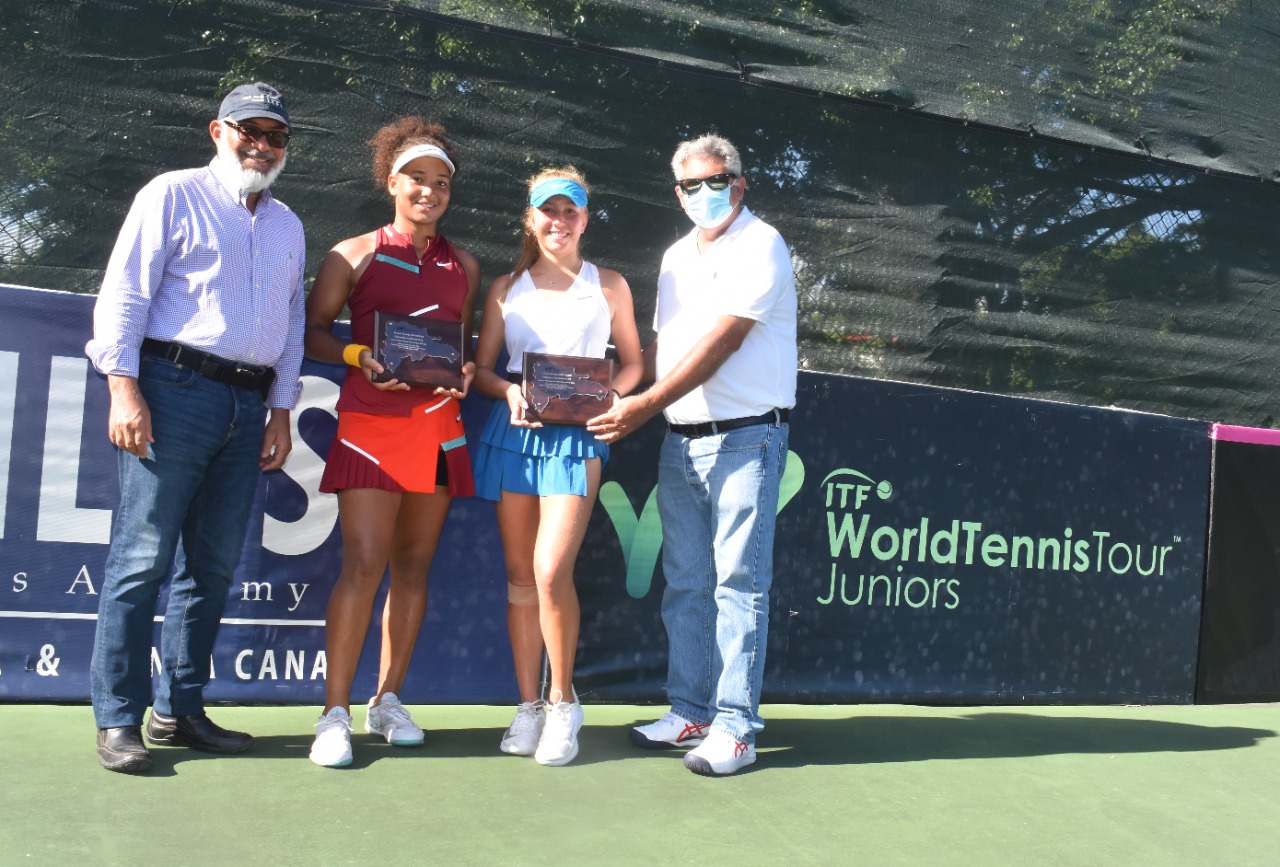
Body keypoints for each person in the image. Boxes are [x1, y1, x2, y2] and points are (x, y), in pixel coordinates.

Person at [85, 81, 305, 773]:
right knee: (142, 557)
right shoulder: (172, 193)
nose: (262, 145)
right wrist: (123, 386)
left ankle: (178, 710)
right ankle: (118, 718)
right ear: (218, 131)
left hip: (248, 405)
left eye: (275, 136)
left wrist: (281, 408)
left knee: (210, 567)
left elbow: (292, 320)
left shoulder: (289, 224)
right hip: (171, 389)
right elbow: (126, 291)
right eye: (250, 131)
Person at [588, 133, 797, 776]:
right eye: (691, 185)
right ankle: (691, 712)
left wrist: (643, 405)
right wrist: (607, 390)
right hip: (681, 440)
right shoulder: (676, 256)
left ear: (739, 183)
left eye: (717, 181)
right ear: (677, 194)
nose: (705, 193)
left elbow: (723, 341)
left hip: (748, 437)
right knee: (686, 585)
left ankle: (736, 728)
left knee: (739, 587)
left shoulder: (763, 243)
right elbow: (667, 346)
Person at [303, 118, 480, 768]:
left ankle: (387, 699)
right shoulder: (351, 254)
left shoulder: (465, 265)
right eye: (416, 179)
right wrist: (357, 355)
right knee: (364, 563)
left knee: (412, 567)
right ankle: (334, 714)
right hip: (371, 426)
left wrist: (464, 371)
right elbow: (313, 332)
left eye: (441, 182)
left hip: (438, 429)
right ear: (391, 182)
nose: (429, 191)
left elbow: (460, 344)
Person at [472, 167, 643, 766]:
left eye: (570, 211)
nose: (559, 221)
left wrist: (612, 397)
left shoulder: (611, 286)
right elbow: (484, 369)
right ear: (530, 219)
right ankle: (529, 706)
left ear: (585, 219)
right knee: (521, 577)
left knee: (550, 573)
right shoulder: (504, 288)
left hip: (577, 442)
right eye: (548, 210)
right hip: (514, 437)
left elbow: (633, 363)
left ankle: (563, 701)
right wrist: (507, 391)